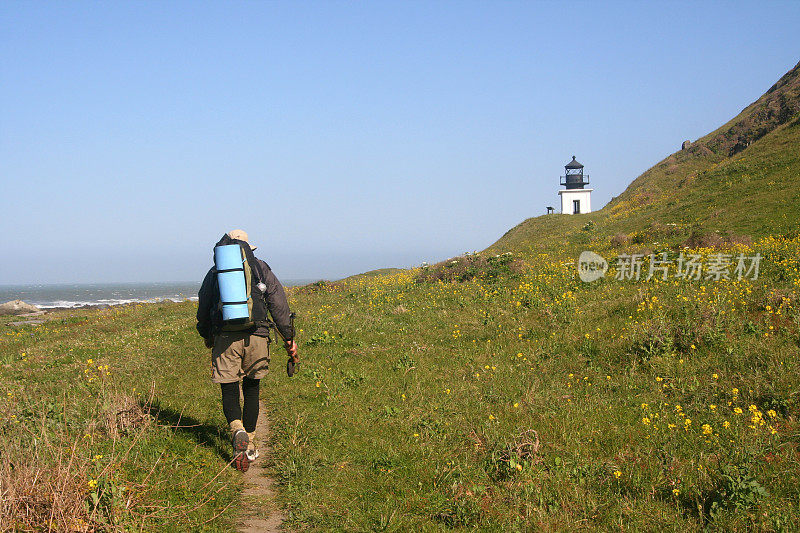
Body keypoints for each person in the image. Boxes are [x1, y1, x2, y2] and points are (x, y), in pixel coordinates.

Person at [196, 229, 298, 472]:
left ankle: (237, 429)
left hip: (225, 337)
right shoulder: (261, 268)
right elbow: (279, 305)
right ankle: (249, 442)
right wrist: (289, 339)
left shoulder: (216, 271)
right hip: (258, 335)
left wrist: (207, 335)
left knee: (229, 387)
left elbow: (204, 305)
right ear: (248, 249)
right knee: (252, 388)